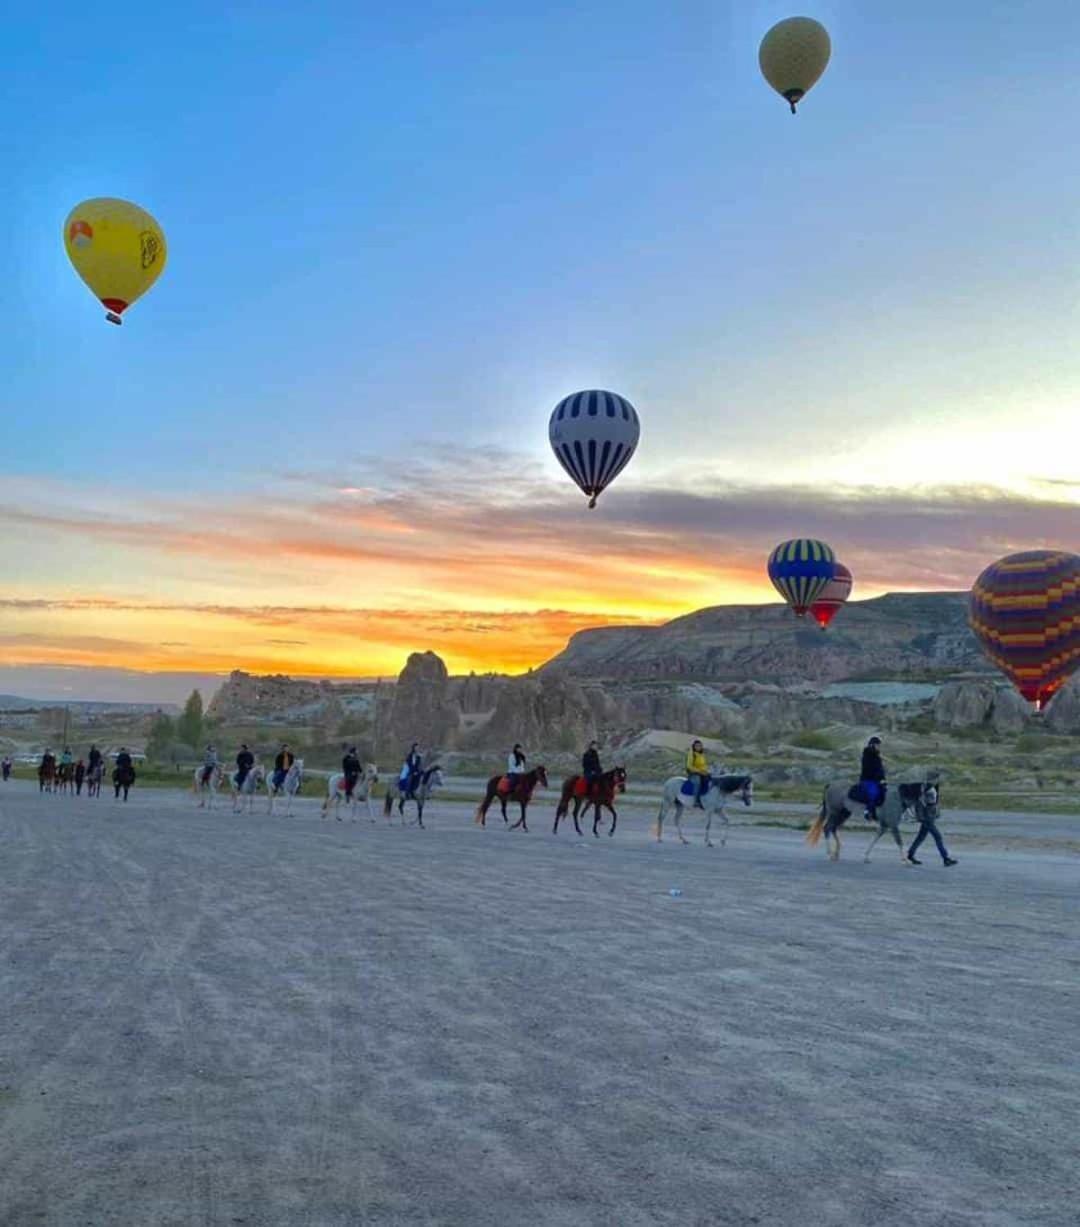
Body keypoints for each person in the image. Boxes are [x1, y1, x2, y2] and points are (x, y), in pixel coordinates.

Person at [907, 781, 957, 867]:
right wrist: (921, 817)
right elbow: (919, 802)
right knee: (937, 836)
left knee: (920, 837)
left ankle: (910, 855)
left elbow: (935, 801)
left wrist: (936, 813)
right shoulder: (924, 788)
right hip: (927, 818)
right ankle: (945, 858)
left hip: (930, 816)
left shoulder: (933, 787)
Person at [859, 735, 887, 821]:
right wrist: (878, 778)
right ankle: (867, 811)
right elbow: (868, 769)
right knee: (873, 793)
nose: (879, 747)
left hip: (876, 780)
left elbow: (879, 769)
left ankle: (880, 813)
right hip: (867, 780)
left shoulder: (877, 756)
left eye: (879, 745)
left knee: (886, 792)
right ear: (872, 745)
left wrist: (883, 778)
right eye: (877, 745)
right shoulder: (867, 755)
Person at [686, 739, 709, 809]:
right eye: (697, 746)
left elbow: (704, 765)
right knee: (697, 782)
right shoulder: (691, 754)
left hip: (702, 773)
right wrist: (699, 771)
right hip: (694, 773)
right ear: (694, 746)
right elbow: (689, 766)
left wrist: (706, 771)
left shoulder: (702, 755)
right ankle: (696, 801)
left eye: (700, 746)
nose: (698, 747)